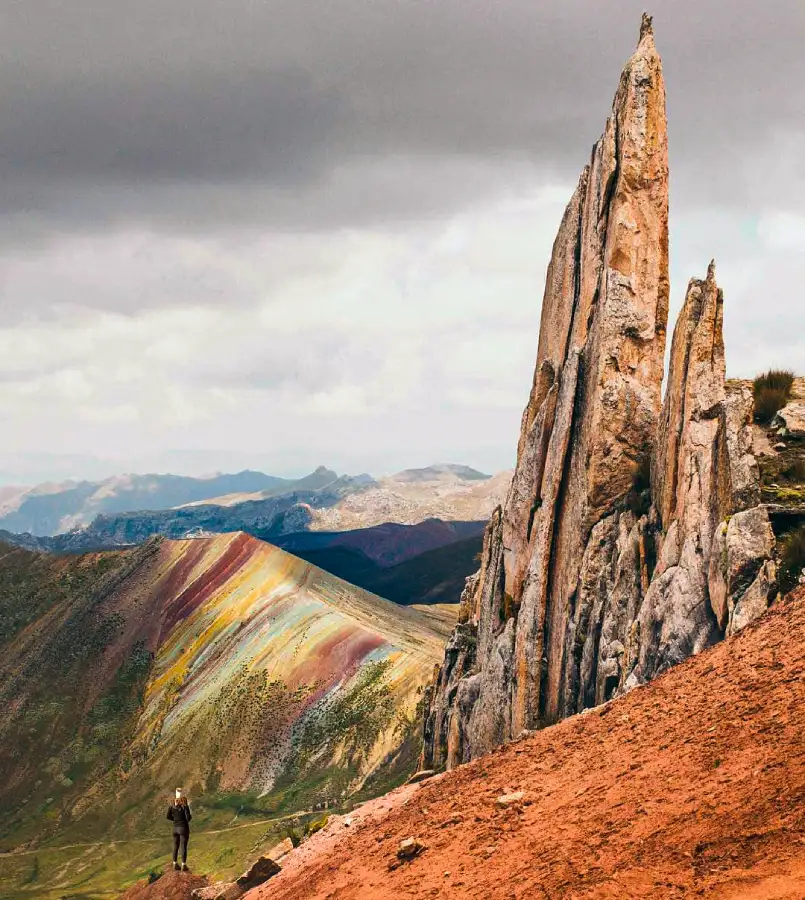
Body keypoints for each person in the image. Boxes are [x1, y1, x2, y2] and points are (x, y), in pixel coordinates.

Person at [166, 788, 192, 871]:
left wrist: (175, 820)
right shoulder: (184, 806)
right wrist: (186, 807)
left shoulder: (171, 806)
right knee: (183, 847)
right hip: (183, 828)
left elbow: (168, 816)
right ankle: (183, 865)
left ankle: (175, 863)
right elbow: (188, 818)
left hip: (175, 828)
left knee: (175, 846)